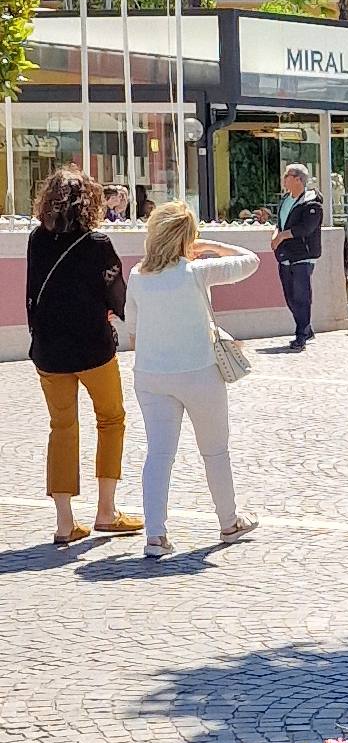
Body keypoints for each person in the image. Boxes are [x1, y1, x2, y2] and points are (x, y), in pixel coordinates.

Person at [126, 202, 258, 560]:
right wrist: (212, 245)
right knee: (215, 450)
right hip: (199, 373)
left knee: (158, 454)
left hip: (151, 376)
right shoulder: (197, 272)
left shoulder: (137, 276)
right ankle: (229, 522)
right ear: (187, 238)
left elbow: (133, 332)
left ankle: (155, 535)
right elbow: (251, 261)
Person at [25, 165, 139, 547]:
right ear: (89, 202)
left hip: (49, 351)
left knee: (62, 427)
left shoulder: (36, 240)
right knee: (111, 419)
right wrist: (117, 312)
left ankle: (64, 522)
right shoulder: (97, 243)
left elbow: (31, 293)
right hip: (93, 348)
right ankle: (106, 511)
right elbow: (118, 296)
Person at [272, 161, 323, 349]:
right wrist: (276, 234)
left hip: (303, 255)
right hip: (285, 255)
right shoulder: (286, 199)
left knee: (301, 296)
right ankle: (306, 328)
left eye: (287, 176)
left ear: (298, 179)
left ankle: (301, 335)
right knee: (290, 297)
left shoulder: (312, 203)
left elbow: (306, 228)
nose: (284, 179)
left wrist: (283, 236)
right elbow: (280, 223)